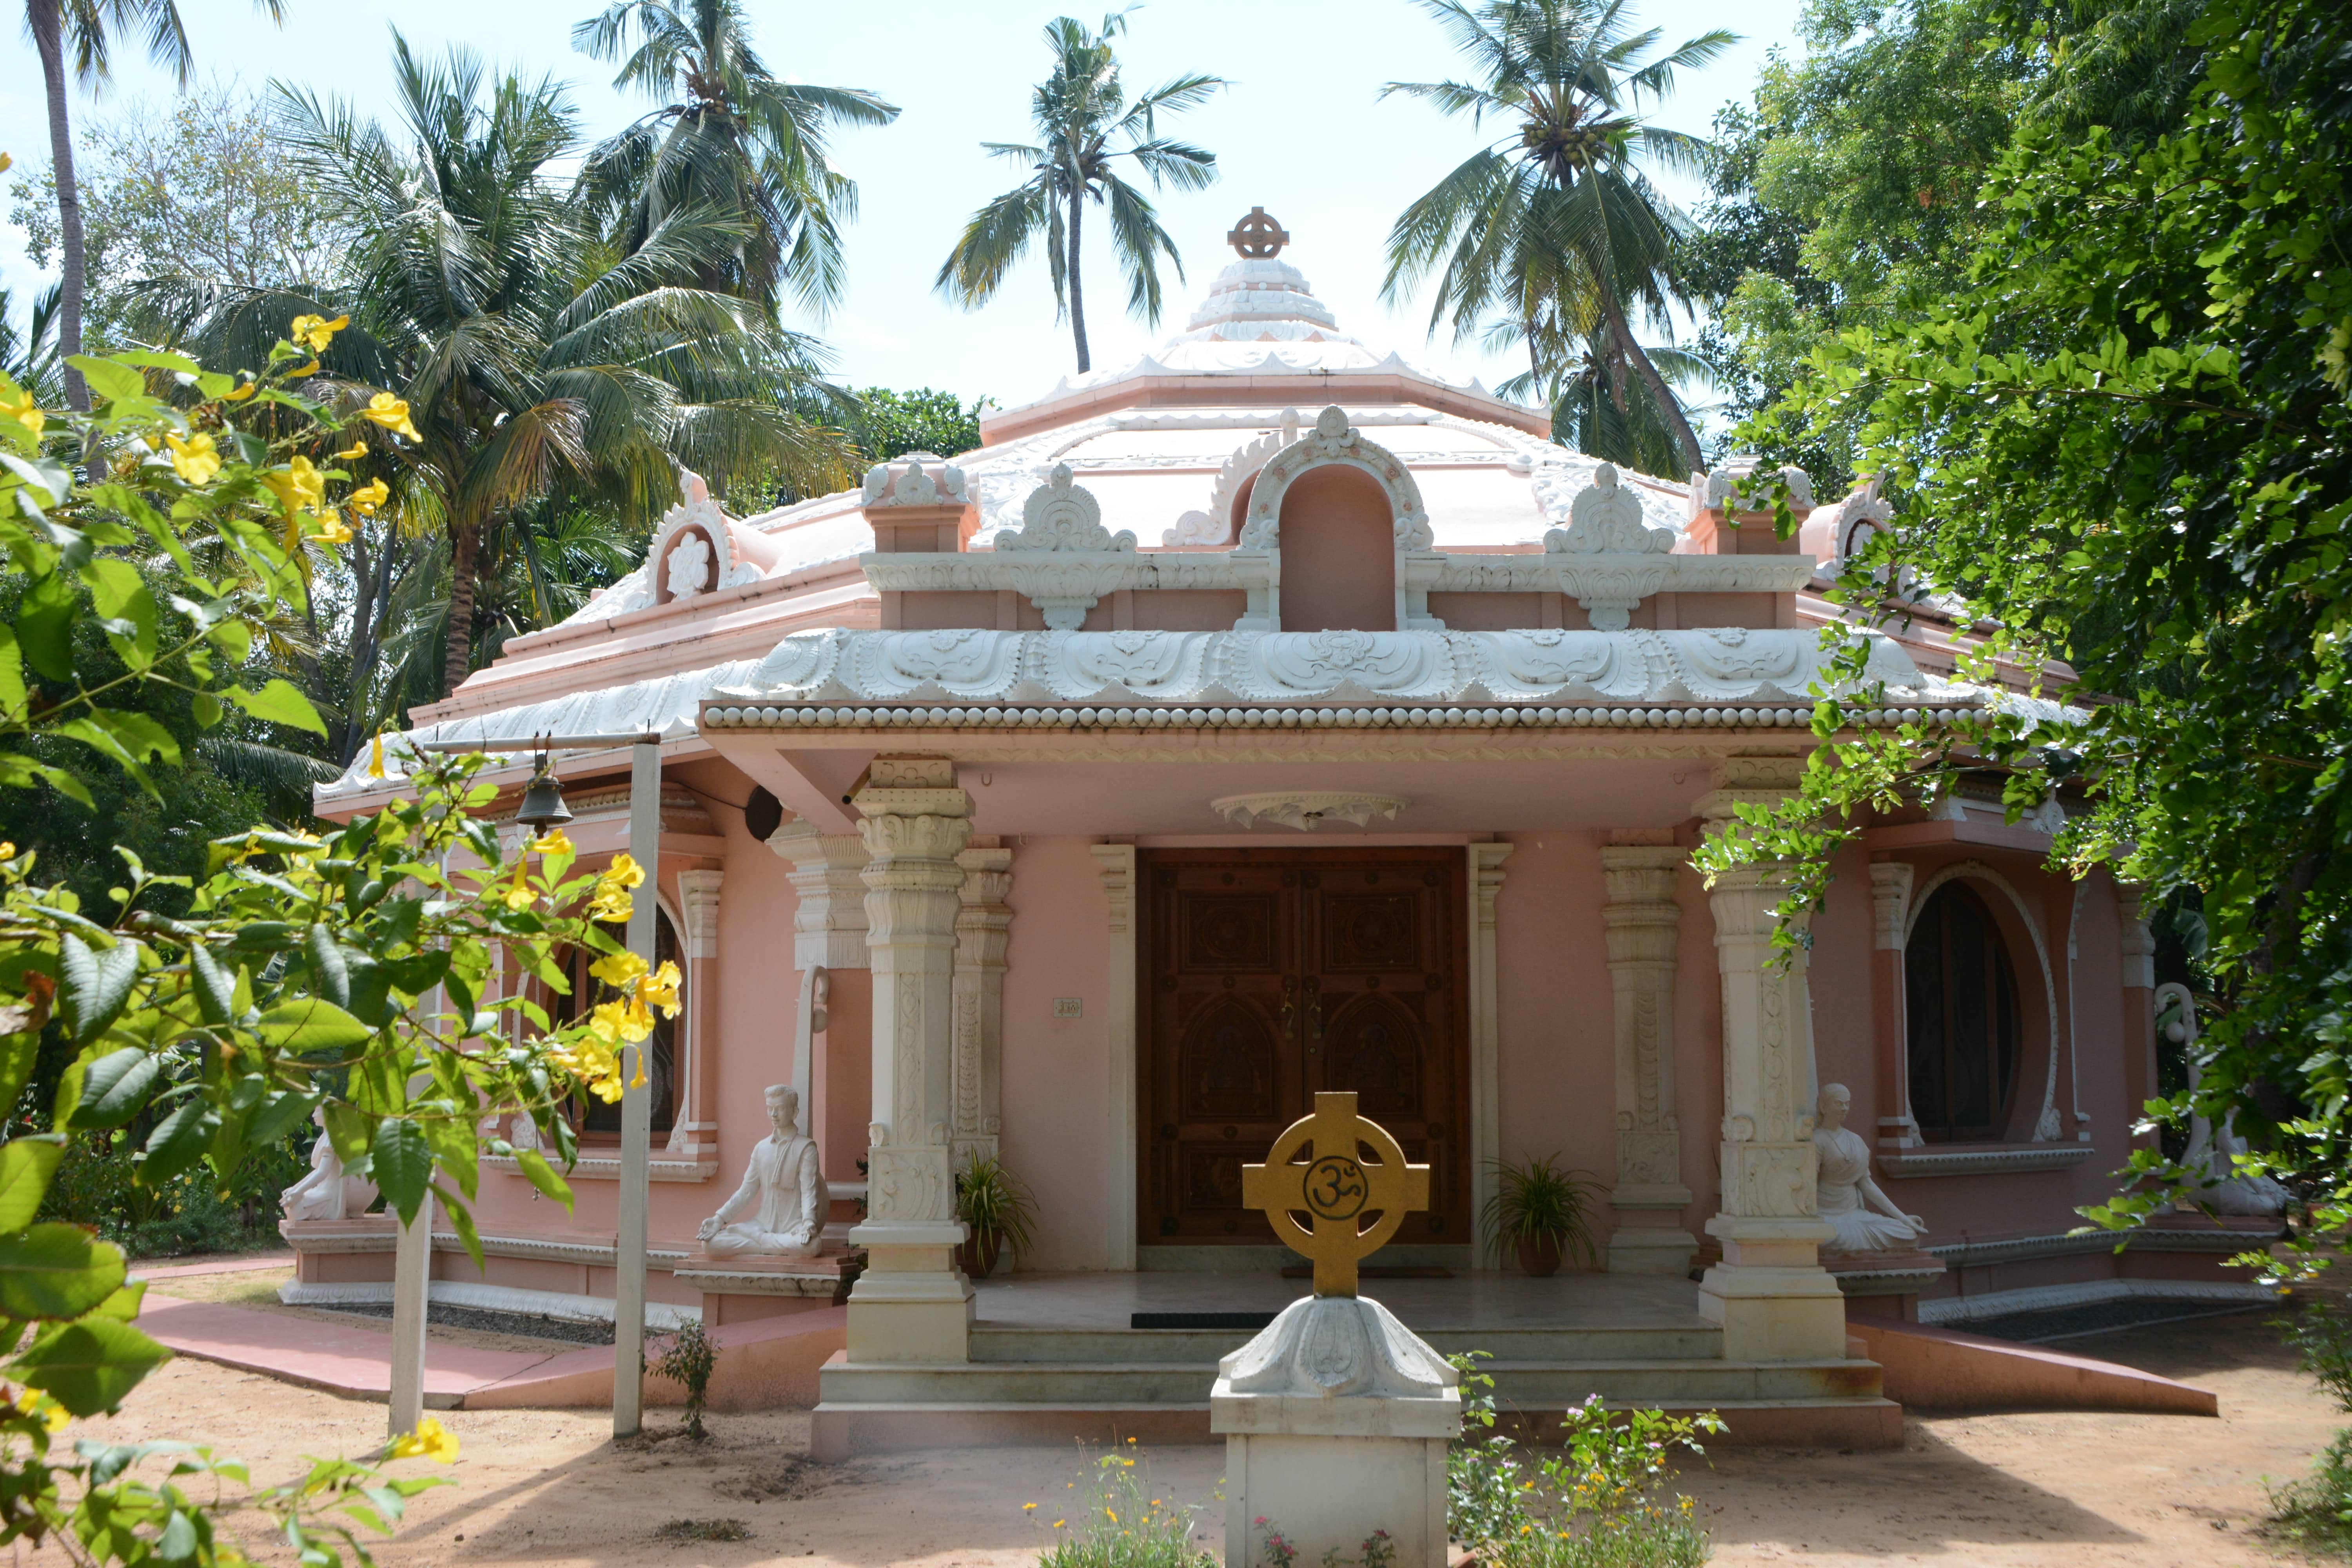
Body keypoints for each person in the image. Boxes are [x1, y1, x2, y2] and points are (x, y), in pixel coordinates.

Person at [697, 1084, 828, 1258]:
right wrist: (719, 1219)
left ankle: (759, 1241)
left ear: (795, 1112)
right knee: (710, 1245)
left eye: (780, 1109)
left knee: (812, 1246)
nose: (774, 1115)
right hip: (761, 1224)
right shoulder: (761, 1148)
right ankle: (767, 1243)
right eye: (770, 1109)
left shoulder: (806, 1148)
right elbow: (746, 1191)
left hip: (793, 1228)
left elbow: (809, 1191)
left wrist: (809, 1222)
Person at [1813, 1083, 1927, 1255]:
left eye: (1847, 1104)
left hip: (1855, 1215)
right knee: (1825, 1237)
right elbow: (1808, 1186)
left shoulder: (1856, 1140)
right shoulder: (1817, 1140)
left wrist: (1904, 1219)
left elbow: (1867, 1185)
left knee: (1909, 1234)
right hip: (1826, 1216)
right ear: (1823, 1106)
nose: (1844, 1108)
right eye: (1839, 1103)